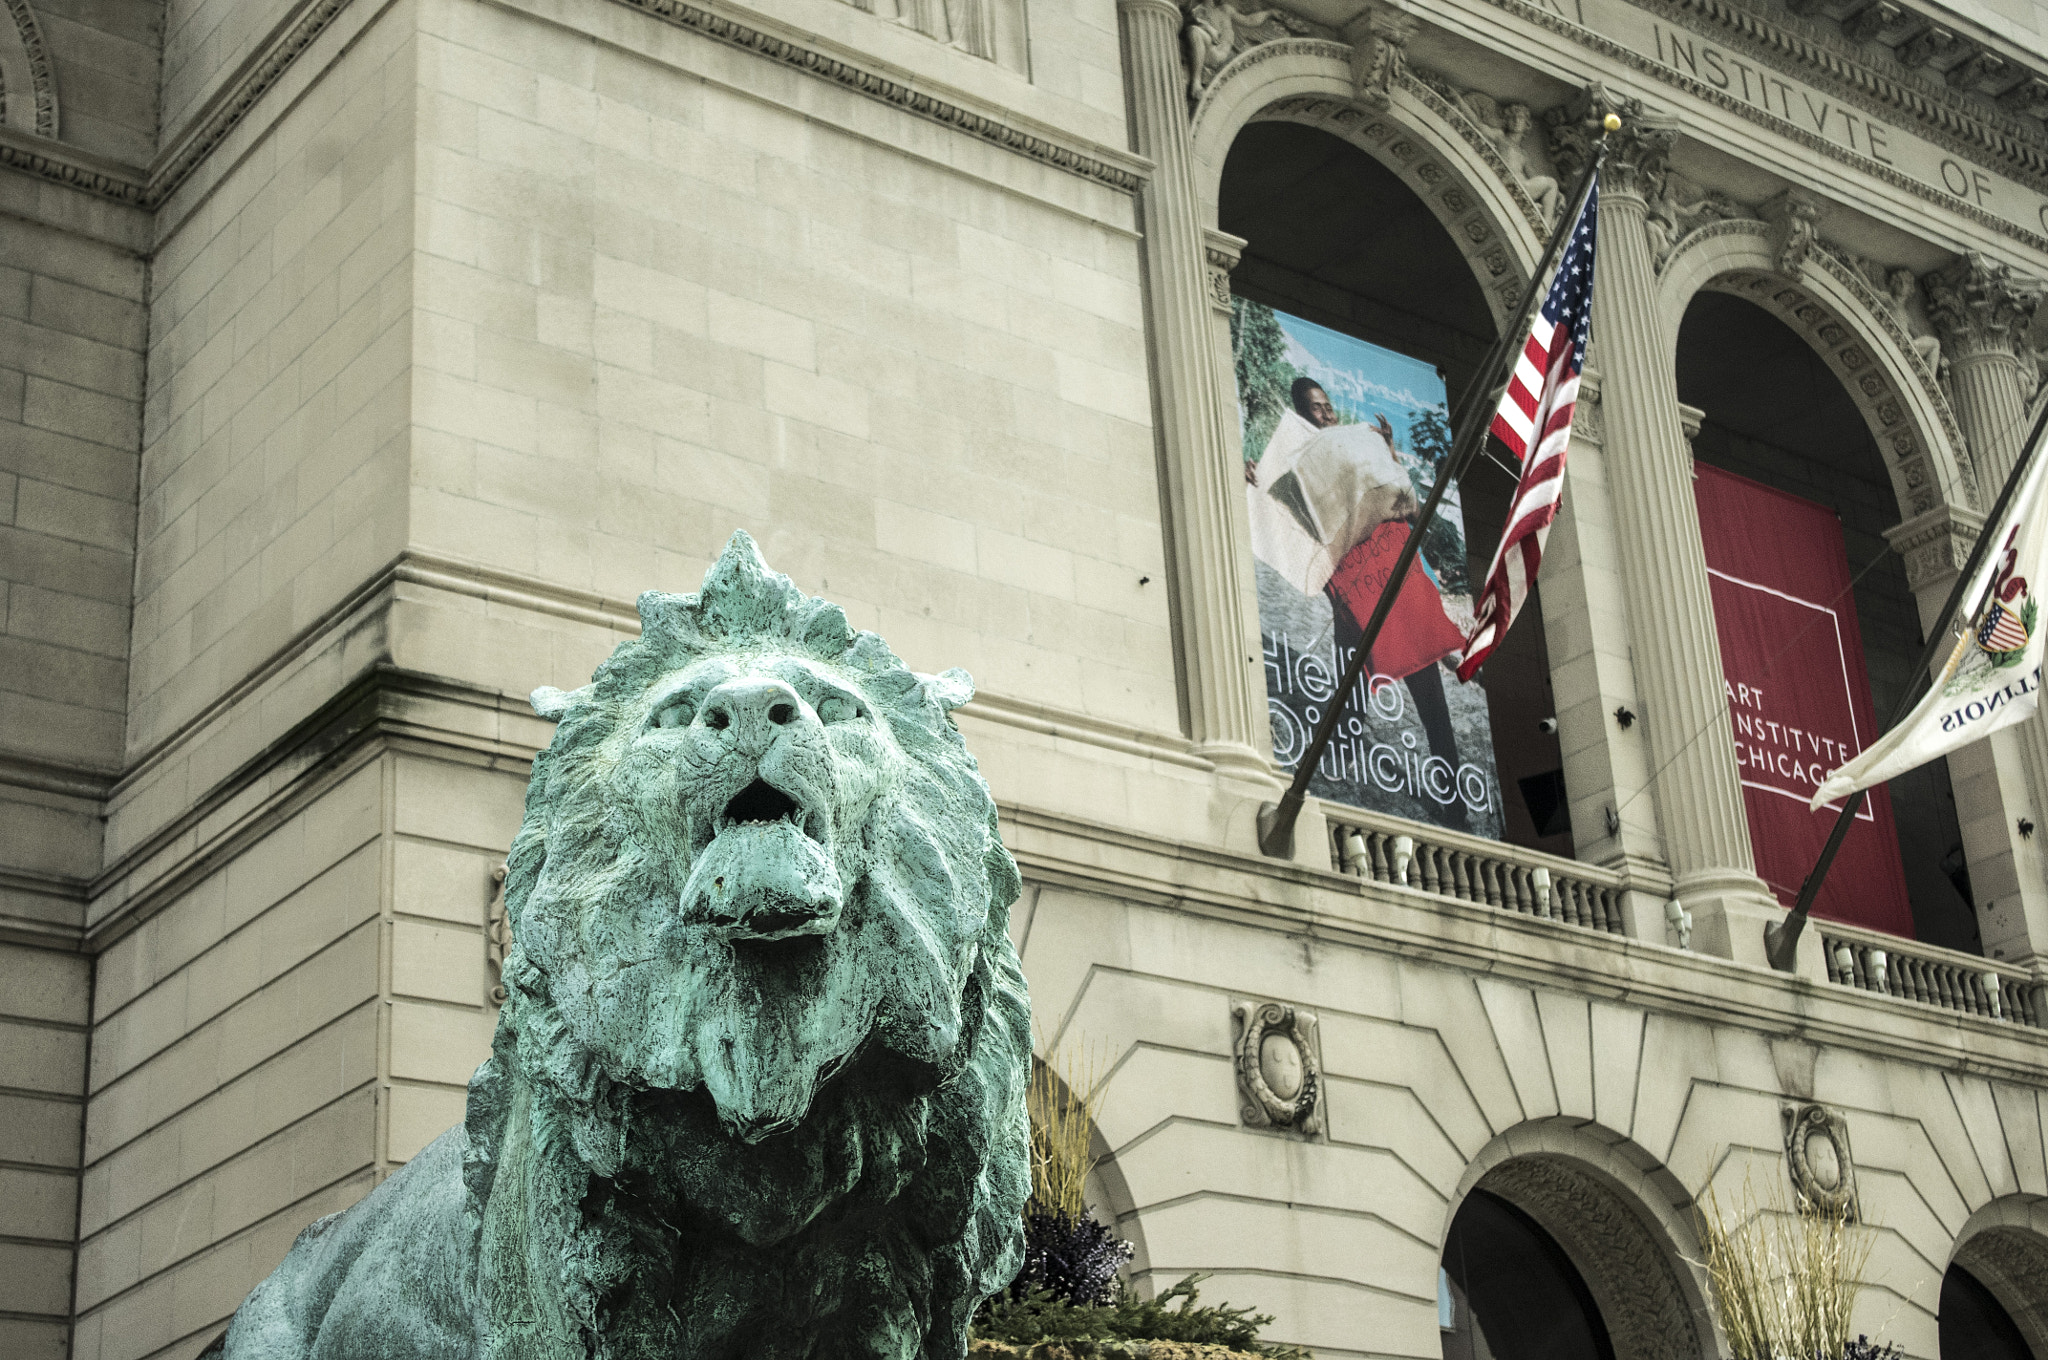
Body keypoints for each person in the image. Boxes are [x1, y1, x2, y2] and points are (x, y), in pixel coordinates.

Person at [1289, 380, 1468, 825]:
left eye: (1329, 407)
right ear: (1301, 415)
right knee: (1350, 686)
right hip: (1356, 596)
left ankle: (1455, 802)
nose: (1327, 416)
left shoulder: (1356, 448)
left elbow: (1406, 504)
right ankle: (1342, 754)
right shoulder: (1302, 468)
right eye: (1316, 410)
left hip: (1396, 595)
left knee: (1431, 702)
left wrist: (1387, 453)